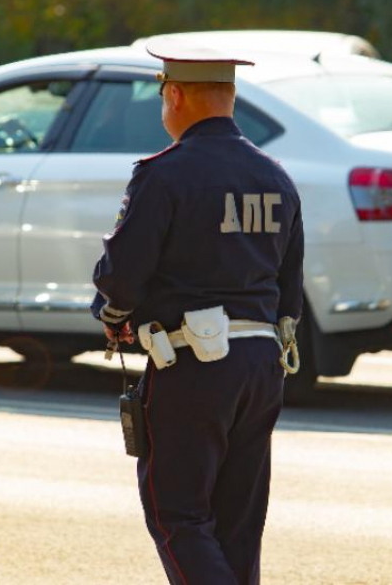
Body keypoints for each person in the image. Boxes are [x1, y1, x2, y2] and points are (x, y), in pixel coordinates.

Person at [92, 35, 303, 585]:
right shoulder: (276, 176)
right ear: (229, 97)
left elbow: (121, 276)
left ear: (176, 96)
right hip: (262, 367)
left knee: (178, 516)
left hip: (193, 365)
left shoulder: (164, 174)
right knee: (237, 526)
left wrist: (114, 317)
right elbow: (290, 285)